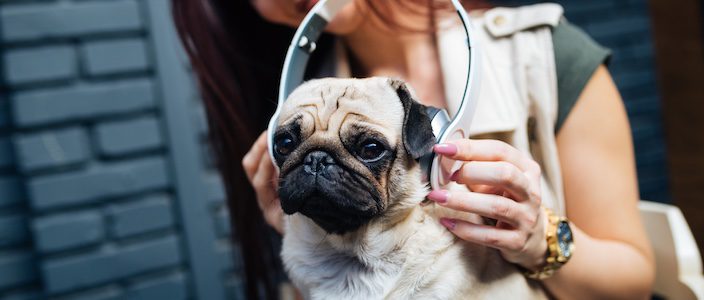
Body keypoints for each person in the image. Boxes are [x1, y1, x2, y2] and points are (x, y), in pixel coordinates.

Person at [172, 0, 656, 299]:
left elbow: (634, 284)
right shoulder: (296, 93)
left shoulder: (546, 58)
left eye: (366, 147)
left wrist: (539, 239)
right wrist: (305, 240)